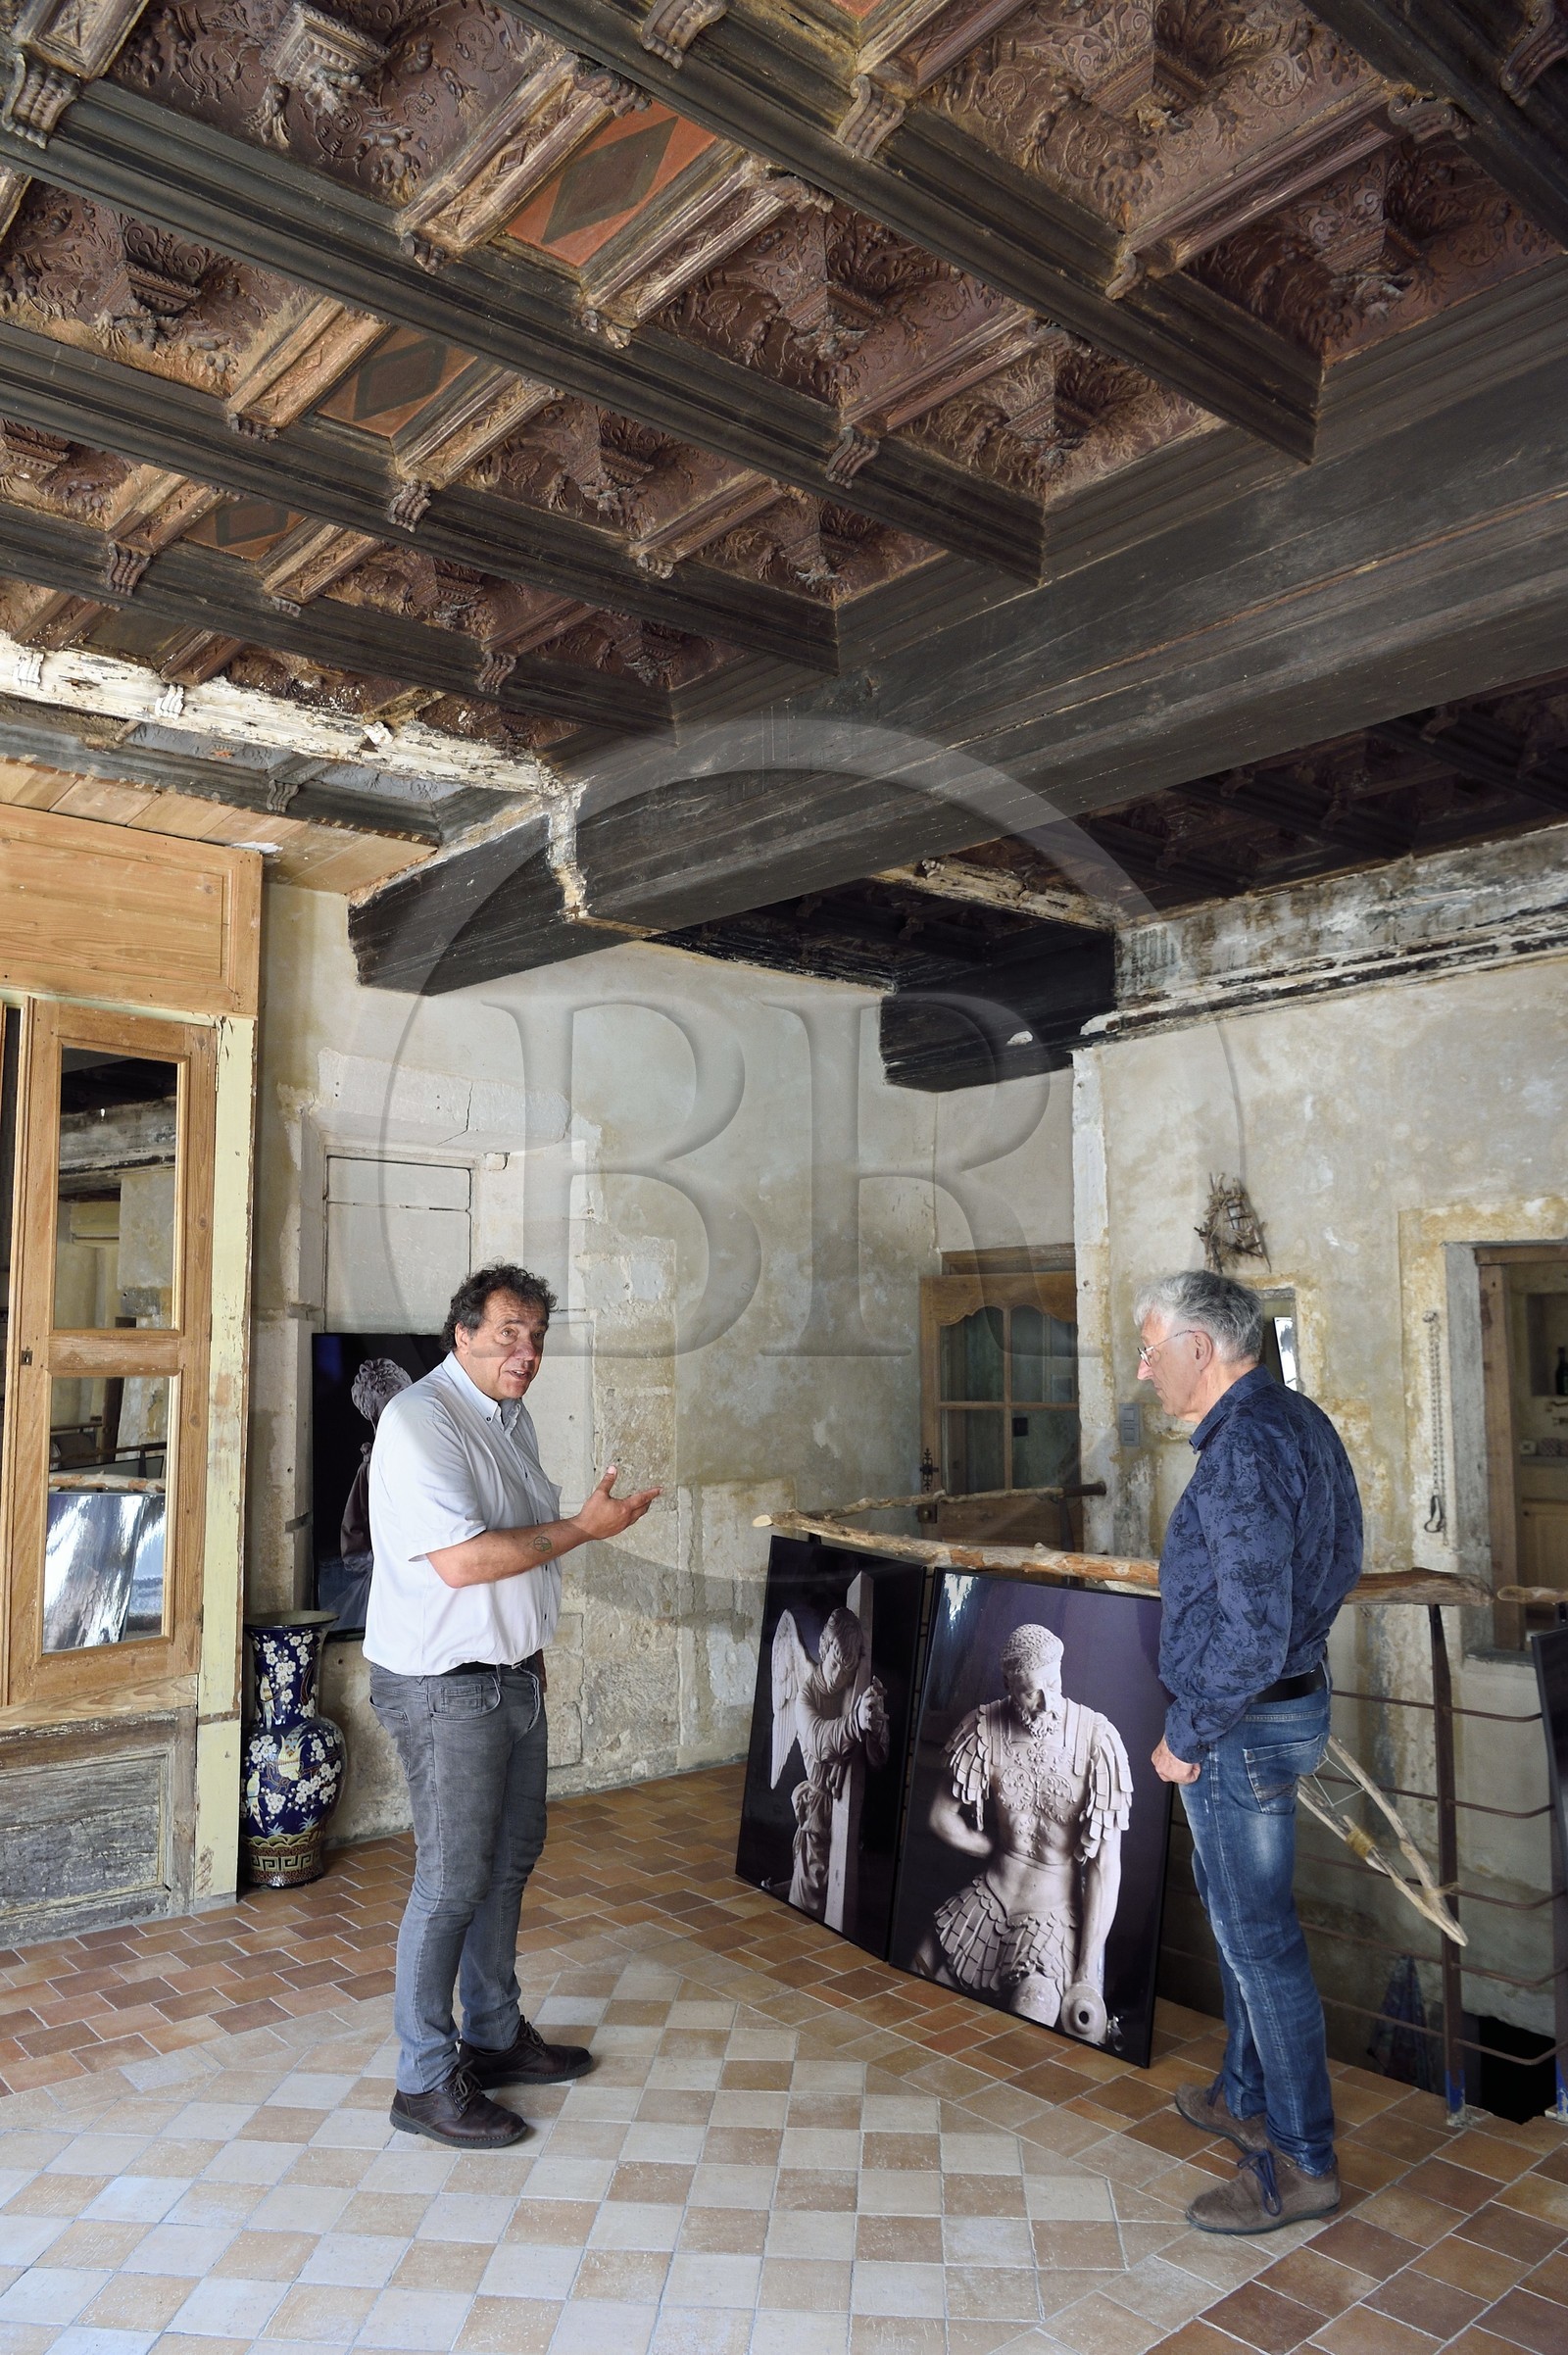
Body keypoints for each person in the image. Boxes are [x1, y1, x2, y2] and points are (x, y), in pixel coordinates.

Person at [365, 1263, 661, 2149]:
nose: (526, 1352)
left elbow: (519, 1551)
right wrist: (582, 1529)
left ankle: (491, 2033)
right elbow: (463, 1561)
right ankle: (422, 2078)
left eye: (535, 1335)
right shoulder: (418, 1420)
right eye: (507, 1332)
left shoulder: (509, 1416)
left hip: (511, 1675)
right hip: (444, 1684)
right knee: (452, 1877)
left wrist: (535, 1654)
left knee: (508, 1861)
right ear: (462, 1333)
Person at [1138, 1268, 1361, 2235]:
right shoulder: (1294, 1420)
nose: (1143, 1370)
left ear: (1201, 1347)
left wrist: (1187, 1734)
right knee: (1240, 1926)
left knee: (1260, 1946)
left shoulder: (1240, 1455)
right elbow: (1341, 1555)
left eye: (1151, 1348)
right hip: (1284, 1707)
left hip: (1238, 1727)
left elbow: (1250, 1630)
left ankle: (1301, 2164)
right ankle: (1241, 2091)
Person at [909, 1623, 1130, 2044]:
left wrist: (1085, 1973)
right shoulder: (983, 1728)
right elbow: (940, 1818)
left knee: (1027, 2027)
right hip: (986, 1900)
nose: (1047, 1702)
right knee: (918, 1993)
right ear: (1009, 1685)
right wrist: (994, 1849)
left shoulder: (1096, 1740)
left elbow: (1105, 1868)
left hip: (1050, 1918)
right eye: (1031, 1691)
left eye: (1054, 1682)